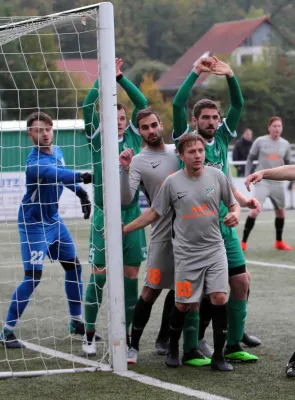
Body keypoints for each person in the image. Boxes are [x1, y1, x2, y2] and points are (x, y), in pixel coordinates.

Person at [123, 133, 238, 371]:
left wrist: (235, 213)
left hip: (215, 250)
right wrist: (124, 229)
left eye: (200, 151)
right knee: (183, 304)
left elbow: (233, 202)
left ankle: (219, 356)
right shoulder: (172, 182)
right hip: (186, 254)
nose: (197, 155)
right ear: (181, 155)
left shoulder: (217, 176)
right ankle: (172, 346)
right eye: (192, 152)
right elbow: (154, 213)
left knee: (219, 297)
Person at [172, 56, 260, 362]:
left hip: (224, 227)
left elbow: (238, 105)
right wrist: (196, 71)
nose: (211, 122)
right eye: (205, 118)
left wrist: (231, 75)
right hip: (194, 229)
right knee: (194, 295)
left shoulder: (223, 138)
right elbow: (178, 103)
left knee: (241, 281)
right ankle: (190, 348)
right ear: (195, 122)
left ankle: (233, 345)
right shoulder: (187, 141)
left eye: (214, 117)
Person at [119, 108, 210, 366]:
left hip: (189, 230)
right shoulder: (137, 161)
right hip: (160, 231)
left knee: (181, 287)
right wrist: (125, 171)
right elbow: (127, 199)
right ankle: (132, 346)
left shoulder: (178, 151)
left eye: (154, 125)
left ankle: (166, 340)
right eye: (145, 127)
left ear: (161, 125)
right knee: (151, 290)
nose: (151, 130)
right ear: (140, 132)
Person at [0, 112, 92, 348]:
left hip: (53, 220)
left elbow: (63, 175)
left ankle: (76, 321)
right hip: (33, 224)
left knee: (74, 266)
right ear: (30, 134)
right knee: (33, 277)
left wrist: (80, 193)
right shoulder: (34, 163)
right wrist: (83, 176)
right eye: (39, 130)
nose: (45, 133)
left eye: (48, 128)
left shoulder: (57, 151)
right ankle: (7, 331)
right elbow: (57, 174)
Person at [82, 58, 148, 356]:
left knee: (131, 277)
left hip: (132, 215)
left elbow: (142, 102)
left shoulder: (135, 136)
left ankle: (129, 341)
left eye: (122, 117)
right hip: (103, 216)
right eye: (113, 116)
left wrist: (120, 79)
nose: (119, 120)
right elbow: (87, 107)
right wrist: (102, 78)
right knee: (100, 275)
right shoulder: (98, 138)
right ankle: (89, 334)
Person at [242, 116, 295, 251]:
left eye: (279, 126)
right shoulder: (260, 141)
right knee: (254, 211)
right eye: (274, 126)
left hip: (278, 183)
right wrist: (247, 175)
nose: (277, 128)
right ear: (269, 128)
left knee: (281, 214)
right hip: (262, 181)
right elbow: (250, 159)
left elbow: (290, 164)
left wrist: (294, 182)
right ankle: (243, 243)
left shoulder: (285, 144)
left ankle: (279, 242)